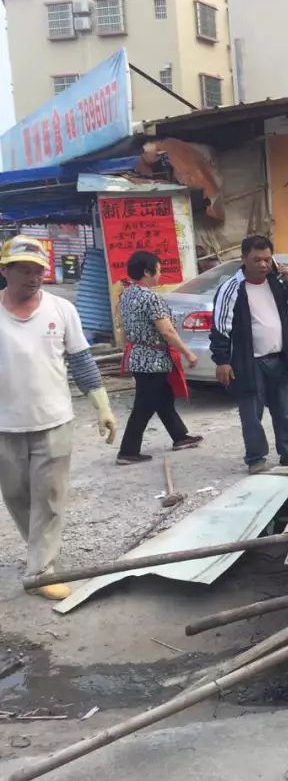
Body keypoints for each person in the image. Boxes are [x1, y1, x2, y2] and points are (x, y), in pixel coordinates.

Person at [0, 236, 117, 600]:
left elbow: (81, 361)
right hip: (4, 425)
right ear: (5, 271)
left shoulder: (61, 309)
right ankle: (39, 551)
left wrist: (102, 407)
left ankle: (41, 571)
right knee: (17, 496)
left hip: (54, 420)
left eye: (38, 270)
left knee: (49, 498)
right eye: (24, 270)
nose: (33, 277)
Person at [210, 235, 288, 474]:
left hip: (278, 358)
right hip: (248, 363)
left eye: (267, 259)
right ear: (244, 259)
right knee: (252, 415)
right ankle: (256, 459)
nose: (263, 264)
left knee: (284, 412)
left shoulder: (276, 282)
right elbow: (220, 328)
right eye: (256, 259)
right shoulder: (232, 289)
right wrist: (222, 361)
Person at [116, 250, 202, 465]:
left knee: (163, 398)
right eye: (158, 270)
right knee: (144, 405)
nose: (159, 275)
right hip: (152, 359)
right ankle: (128, 451)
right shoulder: (150, 297)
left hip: (139, 355)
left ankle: (180, 436)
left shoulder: (127, 294)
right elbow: (167, 331)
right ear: (147, 272)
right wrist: (188, 352)